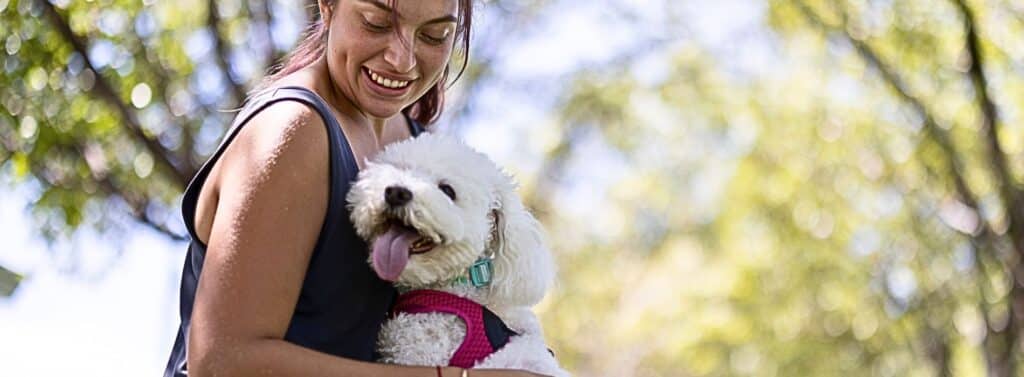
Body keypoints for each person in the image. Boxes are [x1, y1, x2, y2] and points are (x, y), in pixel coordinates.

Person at [163, 1, 545, 376]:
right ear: (327, 6)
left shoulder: (413, 145)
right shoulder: (294, 131)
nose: (402, 60)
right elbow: (223, 363)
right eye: (376, 23)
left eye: (434, 35)